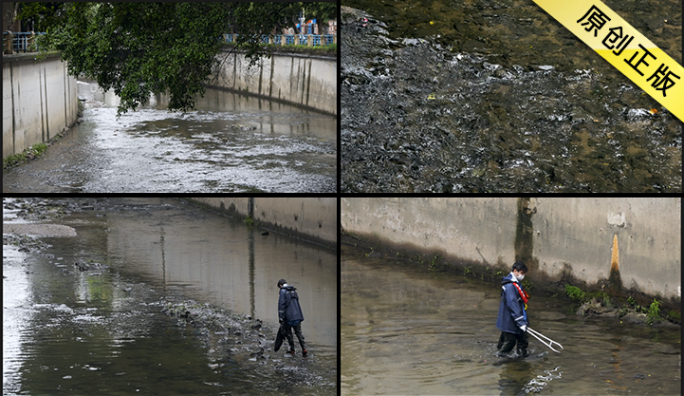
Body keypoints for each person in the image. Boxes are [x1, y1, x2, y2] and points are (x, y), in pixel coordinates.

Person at [496, 261, 530, 358]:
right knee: (510, 341)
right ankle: (499, 358)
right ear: (515, 271)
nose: (523, 276)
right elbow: (512, 303)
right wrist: (520, 321)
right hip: (510, 318)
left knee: (523, 339)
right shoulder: (510, 286)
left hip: (518, 315)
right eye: (522, 273)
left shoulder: (515, 283)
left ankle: (521, 356)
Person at [277, 279, 307, 357]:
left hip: (288, 317)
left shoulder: (282, 291)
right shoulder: (293, 290)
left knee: (289, 333)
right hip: (297, 316)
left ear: (280, 285)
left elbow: (281, 304)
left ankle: (292, 350)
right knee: (299, 333)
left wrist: (281, 317)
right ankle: (304, 349)